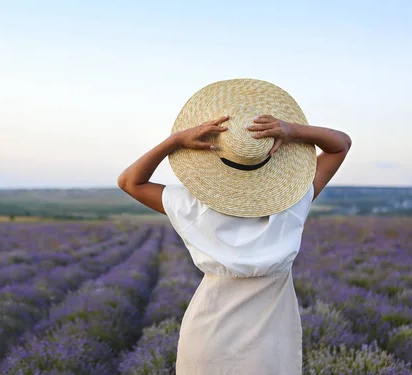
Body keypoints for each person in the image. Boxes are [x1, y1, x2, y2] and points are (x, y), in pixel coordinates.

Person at [117, 79, 351, 375]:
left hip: (207, 336)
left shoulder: (190, 205)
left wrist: (174, 141)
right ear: (271, 152)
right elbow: (340, 145)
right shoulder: (293, 203)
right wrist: (291, 131)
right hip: (272, 342)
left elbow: (129, 181)